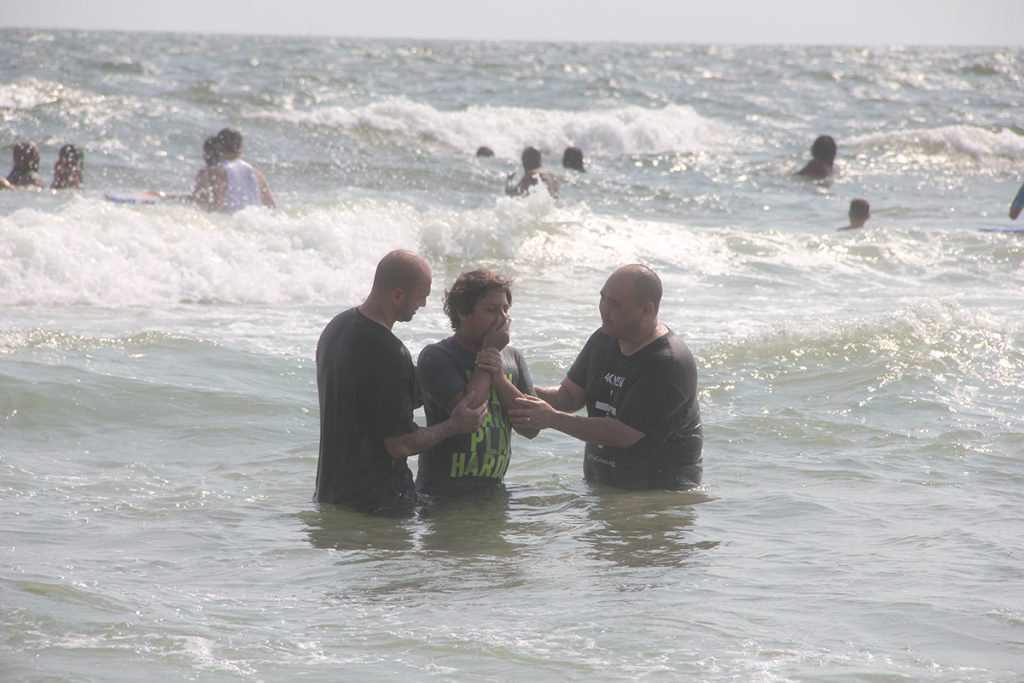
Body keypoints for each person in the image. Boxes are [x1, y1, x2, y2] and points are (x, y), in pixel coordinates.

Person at [314, 250, 487, 514]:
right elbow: (400, 444)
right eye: (422, 296)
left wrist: (412, 385)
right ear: (397, 296)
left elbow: (364, 402)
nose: (424, 305)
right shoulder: (390, 353)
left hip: (332, 493)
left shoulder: (336, 329)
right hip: (379, 504)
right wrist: (453, 425)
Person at [510, 265, 703, 490]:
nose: (603, 309)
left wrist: (552, 419)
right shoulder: (605, 337)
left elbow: (623, 433)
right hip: (604, 488)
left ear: (645, 311)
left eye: (614, 304)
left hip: (660, 495)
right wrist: (512, 384)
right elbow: (570, 396)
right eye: (602, 299)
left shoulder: (668, 362)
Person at [416, 269, 538, 496]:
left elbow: (532, 427)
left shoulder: (513, 357)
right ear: (464, 312)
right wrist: (489, 352)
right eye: (492, 310)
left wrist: (500, 379)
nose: (502, 318)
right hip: (442, 496)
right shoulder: (438, 356)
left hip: (493, 494)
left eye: (505, 309)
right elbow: (469, 413)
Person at [209, 128, 274, 212]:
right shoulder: (256, 173)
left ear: (219, 147)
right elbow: (270, 206)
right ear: (240, 147)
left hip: (231, 221)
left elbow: (216, 204)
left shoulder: (219, 171)